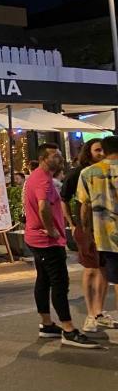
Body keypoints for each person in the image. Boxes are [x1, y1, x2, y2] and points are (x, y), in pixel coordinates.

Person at [25, 143, 99, 348]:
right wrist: (50, 229)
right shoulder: (44, 181)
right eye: (55, 156)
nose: (60, 159)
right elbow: (43, 207)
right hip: (47, 242)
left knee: (44, 280)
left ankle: (47, 324)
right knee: (59, 283)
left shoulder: (37, 177)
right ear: (43, 159)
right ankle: (68, 329)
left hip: (36, 239)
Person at [62, 138, 107, 334]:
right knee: (90, 269)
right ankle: (91, 313)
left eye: (103, 150)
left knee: (104, 270)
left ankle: (99, 311)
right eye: (98, 150)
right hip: (87, 228)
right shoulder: (79, 173)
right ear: (89, 152)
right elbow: (63, 198)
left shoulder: (108, 172)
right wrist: (72, 224)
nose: (102, 154)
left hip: (107, 228)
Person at [76, 135, 118, 336]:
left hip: (104, 237)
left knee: (114, 279)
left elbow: (85, 206)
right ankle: (96, 315)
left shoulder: (88, 173)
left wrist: (86, 231)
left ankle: (94, 315)